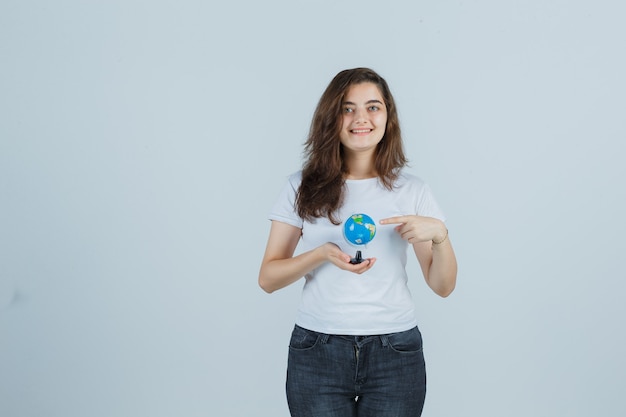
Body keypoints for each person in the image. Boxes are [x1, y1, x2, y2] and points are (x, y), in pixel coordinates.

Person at [258, 67, 457, 417]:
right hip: (317, 349)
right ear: (331, 117)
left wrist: (440, 235)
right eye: (347, 108)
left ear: (387, 117)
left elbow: (442, 286)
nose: (360, 118)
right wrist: (321, 254)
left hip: (395, 352)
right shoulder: (300, 187)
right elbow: (268, 278)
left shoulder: (413, 190)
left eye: (373, 107)